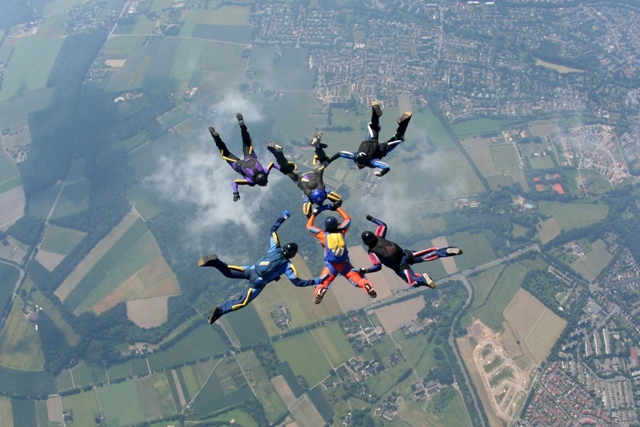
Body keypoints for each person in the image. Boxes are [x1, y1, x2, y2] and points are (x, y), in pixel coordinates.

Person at [201, 211, 317, 324]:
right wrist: (315, 281)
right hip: (256, 283)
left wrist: (282, 218)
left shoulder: (275, 248)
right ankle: (220, 311)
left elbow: (273, 230)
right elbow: (298, 283)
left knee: (228, 272)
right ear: (292, 254)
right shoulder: (288, 266)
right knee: (242, 302)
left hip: (250, 270)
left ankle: (216, 263)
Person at [359, 214, 462, 289]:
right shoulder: (379, 236)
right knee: (428, 254)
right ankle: (446, 251)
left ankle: (423, 279)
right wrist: (371, 218)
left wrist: (366, 270)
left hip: (400, 266)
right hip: (406, 254)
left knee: (412, 281)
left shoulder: (372, 252)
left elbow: (378, 266)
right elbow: (383, 225)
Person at [307, 206, 377, 304]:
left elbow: (309, 226)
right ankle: (366, 285)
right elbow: (348, 219)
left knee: (322, 283)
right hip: (345, 264)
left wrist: (314, 214)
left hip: (331, 266)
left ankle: (320, 290)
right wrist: (338, 208)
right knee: (359, 280)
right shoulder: (342, 232)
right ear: (336, 225)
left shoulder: (323, 236)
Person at [267, 131, 342, 216]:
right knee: (287, 168)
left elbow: (339, 200)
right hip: (302, 177)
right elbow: (307, 213)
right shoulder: (313, 196)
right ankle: (278, 152)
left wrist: (333, 206)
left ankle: (317, 146)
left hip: (314, 173)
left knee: (322, 160)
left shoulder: (323, 192)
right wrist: (325, 209)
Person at [208, 113, 273, 202]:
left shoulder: (265, 172)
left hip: (250, 157)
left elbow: (272, 164)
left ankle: (242, 126)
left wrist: (283, 169)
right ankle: (215, 137)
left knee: (246, 143)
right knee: (225, 153)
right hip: (238, 165)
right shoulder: (251, 182)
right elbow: (235, 182)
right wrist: (236, 193)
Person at [336, 101, 412, 177]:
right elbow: (341, 153)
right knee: (374, 127)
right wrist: (329, 161)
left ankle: (404, 122)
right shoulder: (356, 156)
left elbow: (386, 167)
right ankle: (375, 113)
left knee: (398, 137)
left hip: (381, 148)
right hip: (372, 142)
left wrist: (381, 173)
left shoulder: (372, 162)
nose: (358, 165)